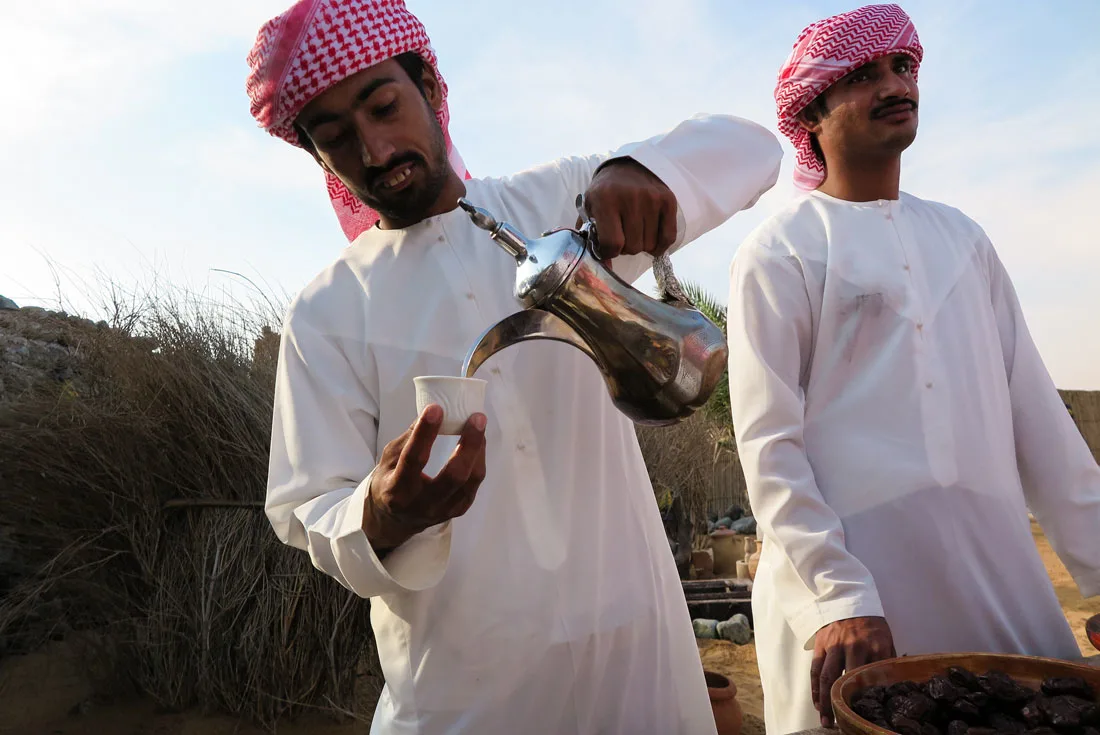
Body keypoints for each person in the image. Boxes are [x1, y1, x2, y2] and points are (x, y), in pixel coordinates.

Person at [246, 1, 784, 732]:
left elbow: (751, 149)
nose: (374, 150)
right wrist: (381, 511)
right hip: (468, 691)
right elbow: (306, 506)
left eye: (383, 106)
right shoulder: (328, 311)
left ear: (431, 90)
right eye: (337, 137)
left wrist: (646, 174)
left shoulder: (556, 201)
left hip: (638, 663)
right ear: (318, 158)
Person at [725, 4, 1100, 734]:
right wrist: (840, 599)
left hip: (994, 581)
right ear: (813, 111)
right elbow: (770, 446)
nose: (895, 84)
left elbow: (1042, 427)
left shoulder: (964, 241)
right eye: (863, 75)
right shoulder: (781, 250)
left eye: (902, 67)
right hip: (856, 600)